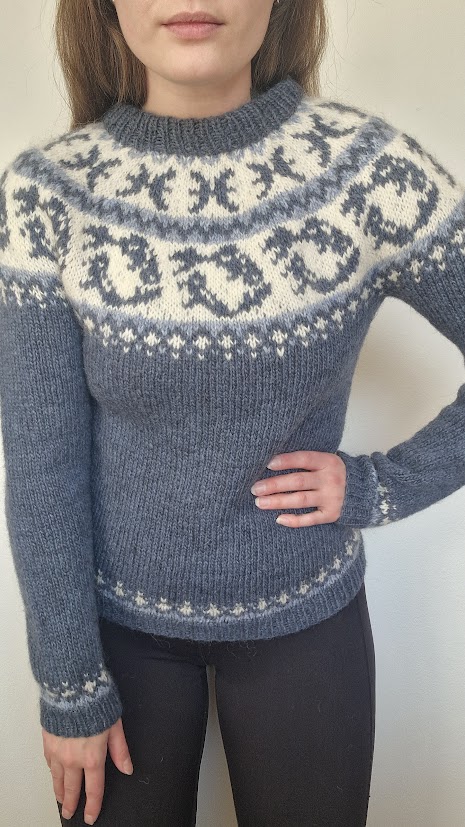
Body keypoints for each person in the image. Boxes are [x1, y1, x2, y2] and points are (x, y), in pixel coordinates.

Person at [0, 0, 464, 824]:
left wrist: (378, 486)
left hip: (307, 622)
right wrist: (68, 683)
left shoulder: (364, 172)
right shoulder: (48, 195)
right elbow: (42, 462)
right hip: (112, 635)